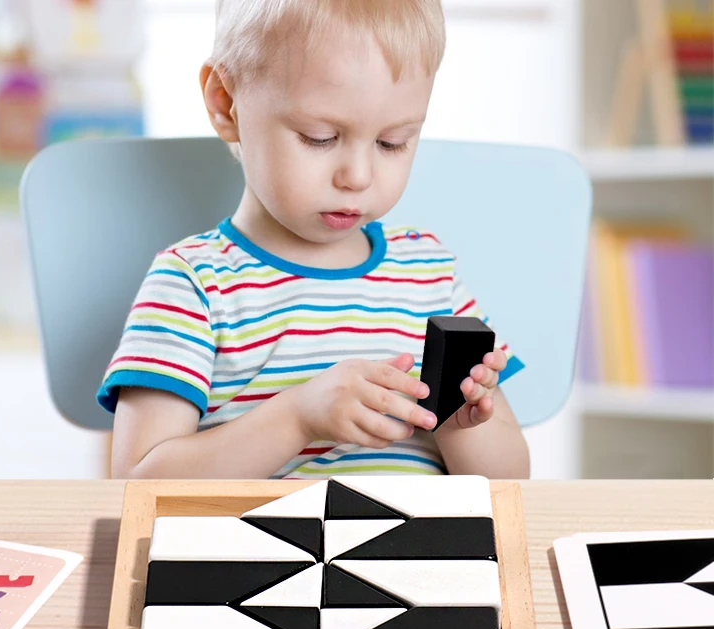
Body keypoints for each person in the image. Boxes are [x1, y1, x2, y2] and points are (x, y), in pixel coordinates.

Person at [98, 0, 530, 480]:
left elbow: (509, 483)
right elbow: (138, 486)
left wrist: (456, 419)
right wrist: (297, 417)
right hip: (257, 551)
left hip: (422, 552)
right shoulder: (194, 284)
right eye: (319, 137)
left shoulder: (430, 272)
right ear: (226, 102)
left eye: (393, 142)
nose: (358, 176)